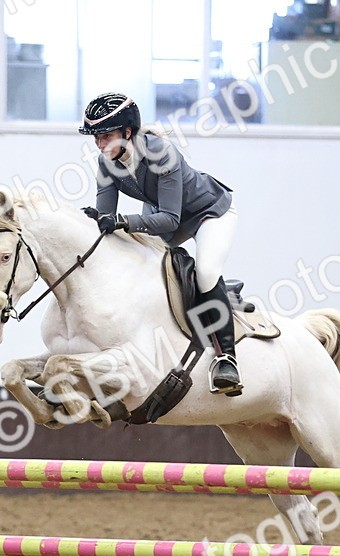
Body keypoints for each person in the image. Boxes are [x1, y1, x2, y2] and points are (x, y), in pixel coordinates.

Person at [79, 91, 243, 396]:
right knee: (141, 264)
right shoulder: (107, 165)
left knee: (206, 272)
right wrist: (93, 221)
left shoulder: (161, 153)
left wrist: (123, 222)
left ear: (128, 132)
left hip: (208, 212)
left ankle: (226, 359)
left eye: (106, 136)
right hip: (164, 216)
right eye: (96, 138)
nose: (100, 145)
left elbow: (169, 219)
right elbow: (107, 217)